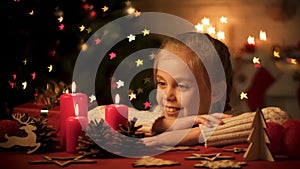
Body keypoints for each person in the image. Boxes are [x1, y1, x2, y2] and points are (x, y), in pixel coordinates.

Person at [142, 32, 234, 146]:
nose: (167, 96)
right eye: (162, 83)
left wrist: (198, 133)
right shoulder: (158, 115)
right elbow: (119, 114)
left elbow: (260, 121)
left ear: (216, 92)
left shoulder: (228, 121)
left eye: (182, 86)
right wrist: (168, 124)